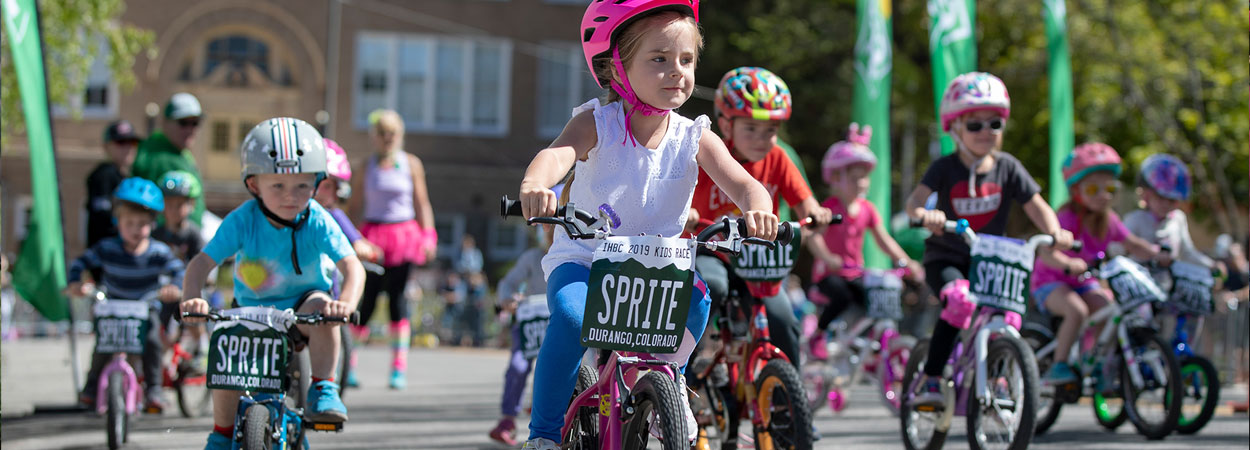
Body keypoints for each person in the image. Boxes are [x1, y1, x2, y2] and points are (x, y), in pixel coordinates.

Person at [517, 2, 780, 448]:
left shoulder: (694, 135)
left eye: (686, 60)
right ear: (616, 68)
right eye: (659, 59)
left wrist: (759, 207)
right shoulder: (596, 123)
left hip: (655, 266)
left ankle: (669, 379)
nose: (677, 71)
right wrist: (535, 183)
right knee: (571, 314)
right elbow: (556, 155)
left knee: (697, 303)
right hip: (586, 257)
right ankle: (542, 435)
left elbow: (743, 182)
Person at [179, 118, 365, 450]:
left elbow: (352, 266)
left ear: (317, 184)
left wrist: (346, 304)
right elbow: (200, 264)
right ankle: (221, 432)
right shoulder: (242, 220)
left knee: (324, 309)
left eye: (302, 186)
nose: (291, 197)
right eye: (277, 186)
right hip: (251, 311)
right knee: (226, 343)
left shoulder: (318, 220)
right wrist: (193, 299)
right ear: (254, 185)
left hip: (301, 307)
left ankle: (323, 386)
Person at [904, 72, 1074, 408]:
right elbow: (914, 203)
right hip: (947, 257)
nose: (985, 132)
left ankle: (997, 375)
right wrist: (927, 215)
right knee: (960, 300)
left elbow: (1036, 206)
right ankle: (933, 378)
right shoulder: (943, 168)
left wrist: (1056, 232)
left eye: (994, 124)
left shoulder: (1008, 167)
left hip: (990, 261)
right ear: (955, 128)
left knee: (1009, 314)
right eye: (974, 125)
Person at [686, 66, 834, 371]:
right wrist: (686, 212)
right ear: (726, 125)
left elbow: (805, 202)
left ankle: (792, 408)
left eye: (770, 130)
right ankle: (688, 367)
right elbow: (680, 194)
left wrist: (815, 213)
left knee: (783, 319)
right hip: (714, 251)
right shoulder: (711, 154)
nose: (761, 139)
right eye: (750, 128)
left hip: (759, 257)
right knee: (712, 285)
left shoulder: (779, 157)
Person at [1029, 142, 1165, 385]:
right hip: (1051, 282)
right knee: (1077, 311)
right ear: (1076, 191)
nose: (1103, 196)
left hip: (1084, 282)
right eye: (1093, 189)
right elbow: (1046, 254)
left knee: (1109, 310)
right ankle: (1059, 364)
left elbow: (1132, 243)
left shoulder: (1108, 220)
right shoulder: (1066, 217)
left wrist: (1156, 253)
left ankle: (1095, 361)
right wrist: (1068, 265)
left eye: (1109, 189)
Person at [66, 177, 184, 412]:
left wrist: (174, 288)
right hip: (113, 307)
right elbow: (79, 263)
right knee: (103, 345)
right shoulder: (107, 248)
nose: (135, 229)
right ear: (117, 222)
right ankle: (90, 389)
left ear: (152, 224)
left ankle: (154, 391)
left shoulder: (158, 252)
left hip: (144, 308)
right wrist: (76, 283)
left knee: (152, 342)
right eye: (128, 223)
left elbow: (178, 270)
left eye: (142, 224)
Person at [807, 124, 924, 360]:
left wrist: (906, 262)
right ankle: (818, 334)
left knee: (877, 299)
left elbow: (884, 240)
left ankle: (871, 351)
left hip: (855, 273)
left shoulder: (867, 210)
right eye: (855, 178)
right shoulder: (829, 208)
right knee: (842, 296)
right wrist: (828, 258)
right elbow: (812, 236)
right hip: (830, 275)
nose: (862, 183)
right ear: (836, 178)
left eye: (865, 178)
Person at [348, 109, 437, 390]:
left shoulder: (410, 163)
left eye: (392, 134)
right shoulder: (366, 166)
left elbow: (422, 202)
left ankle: (398, 367)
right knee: (368, 300)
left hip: (403, 235)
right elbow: (354, 206)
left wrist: (429, 236)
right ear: (374, 137)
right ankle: (348, 363)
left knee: (398, 301)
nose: (387, 139)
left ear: (399, 136)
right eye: (382, 134)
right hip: (373, 236)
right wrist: (348, 238)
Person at [489, 186, 560, 446]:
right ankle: (508, 418)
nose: (549, 231)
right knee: (518, 368)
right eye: (545, 226)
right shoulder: (533, 258)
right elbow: (507, 283)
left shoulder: (579, 257)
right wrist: (508, 300)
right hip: (533, 324)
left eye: (554, 226)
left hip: (559, 323)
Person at [317, 138, 381, 388]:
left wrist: (364, 246)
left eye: (330, 186)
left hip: (325, 291)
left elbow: (354, 239)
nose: (327, 192)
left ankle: (327, 382)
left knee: (332, 324)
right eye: (322, 184)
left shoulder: (334, 216)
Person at [1123, 154, 1225, 282]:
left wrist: (1211, 265)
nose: (1166, 204)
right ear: (1146, 195)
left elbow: (1187, 252)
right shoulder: (1134, 219)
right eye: (1160, 198)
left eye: (1171, 200)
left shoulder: (1177, 218)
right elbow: (1117, 250)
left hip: (1169, 286)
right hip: (1139, 285)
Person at [152, 170, 207, 368]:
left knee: (194, 311)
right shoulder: (155, 234)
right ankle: (160, 361)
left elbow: (202, 264)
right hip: (162, 291)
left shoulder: (193, 234)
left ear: (191, 206)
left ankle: (202, 347)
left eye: (181, 204)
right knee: (158, 328)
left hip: (186, 288)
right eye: (170, 204)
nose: (175, 209)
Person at [132, 92, 206, 225]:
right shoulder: (156, 157)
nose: (190, 129)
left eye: (195, 123)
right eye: (183, 123)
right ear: (165, 122)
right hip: (167, 241)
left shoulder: (180, 153)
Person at [86, 120, 141, 248]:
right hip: (105, 253)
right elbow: (102, 218)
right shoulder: (104, 174)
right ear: (106, 146)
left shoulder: (124, 176)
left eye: (132, 142)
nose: (128, 148)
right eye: (121, 142)